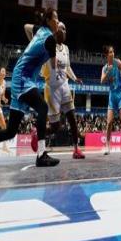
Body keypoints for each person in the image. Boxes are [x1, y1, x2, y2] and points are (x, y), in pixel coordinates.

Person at [0, 8, 60, 167]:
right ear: (48, 20)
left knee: (11, 131)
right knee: (43, 107)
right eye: (56, 18)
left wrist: (32, 44)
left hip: (21, 75)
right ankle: (41, 154)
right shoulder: (51, 40)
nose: (58, 22)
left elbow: (26, 27)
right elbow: (53, 68)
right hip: (23, 79)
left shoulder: (40, 30)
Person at [38, 22, 85, 159]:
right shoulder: (48, 45)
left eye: (65, 29)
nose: (64, 31)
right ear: (56, 31)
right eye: (62, 29)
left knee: (72, 118)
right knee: (55, 127)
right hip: (52, 89)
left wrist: (75, 78)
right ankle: (39, 134)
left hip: (64, 86)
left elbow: (67, 67)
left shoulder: (66, 48)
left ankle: (76, 150)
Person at [101, 45, 121, 155]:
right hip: (112, 97)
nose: (112, 54)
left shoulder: (117, 62)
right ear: (106, 55)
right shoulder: (105, 68)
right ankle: (107, 146)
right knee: (109, 123)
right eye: (110, 52)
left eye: (113, 52)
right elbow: (102, 81)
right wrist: (108, 73)